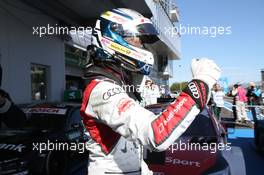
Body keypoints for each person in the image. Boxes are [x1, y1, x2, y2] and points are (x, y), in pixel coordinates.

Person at [81, 8, 221, 175]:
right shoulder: (101, 89)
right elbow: (156, 134)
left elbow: (130, 143)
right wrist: (201, 84)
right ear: (114, 37)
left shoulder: (120, 85)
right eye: (138, 40)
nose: (142, 46)